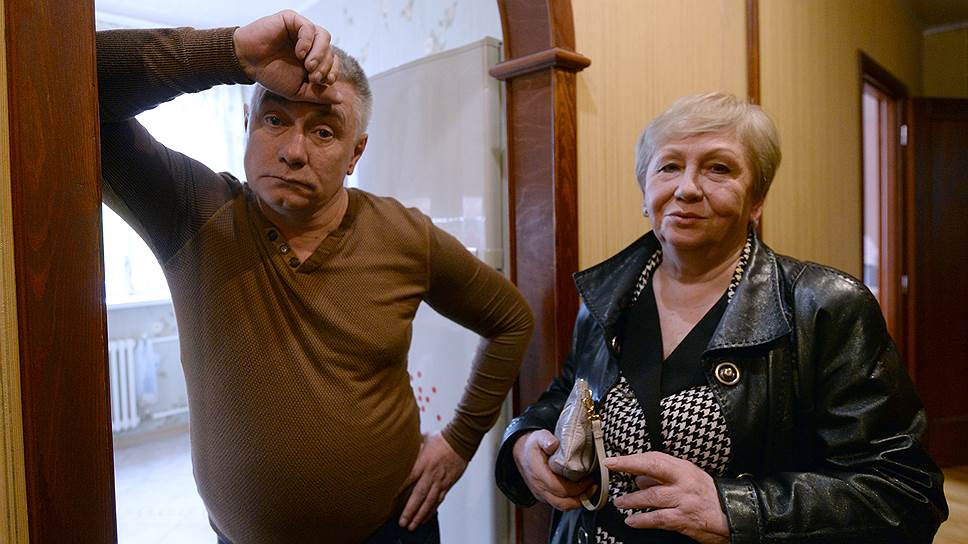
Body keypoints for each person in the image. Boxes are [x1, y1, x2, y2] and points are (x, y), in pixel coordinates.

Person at [97, 10, 533, 543]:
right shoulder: (194, 213)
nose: (293, 151)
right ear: (247, 123)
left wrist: (460, 441)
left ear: (355, 153)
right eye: (274, 120)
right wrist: (231, 52)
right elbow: (77, 81)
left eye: (323, 131)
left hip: (394, 530)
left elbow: (511, 320)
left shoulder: (404, 236)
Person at [494, 92, 948, 543]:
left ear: (757, 200)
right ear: (645, 192)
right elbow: (572, 392)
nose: (687, 188)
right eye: (669, 166)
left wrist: (736, 509)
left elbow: (904, 492)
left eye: (719, 169)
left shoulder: (825, 306)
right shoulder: (608, 295)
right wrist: (526, 437)